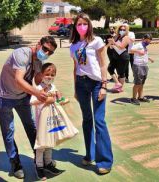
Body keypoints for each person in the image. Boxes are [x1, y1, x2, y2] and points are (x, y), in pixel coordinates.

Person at [0, 36, 57, 179]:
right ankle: (15, 162)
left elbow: (35, 80)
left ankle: (38, 159)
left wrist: (49, 82)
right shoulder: (22, 54)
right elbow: (19, 79)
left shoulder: (38, 61)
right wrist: (37, 92)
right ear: (38, 44)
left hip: (23, 97)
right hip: (4, 97)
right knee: (8, 131)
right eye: (45, 49)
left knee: (31, 127)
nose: (46, 53)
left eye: (50, 52)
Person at [69, 13, 113, 174]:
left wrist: (104, 85)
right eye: (78, 24)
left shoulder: (97, 41)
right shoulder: (73, 45)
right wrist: (75, 88)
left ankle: (105, 161)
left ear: (89, 25)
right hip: (81, 84)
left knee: (99, 121)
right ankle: (90, 155)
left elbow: (103, 64)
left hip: (96, 84)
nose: (81, 26)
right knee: (87, 120)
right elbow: (76, 68)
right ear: (75, 26)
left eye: (84, 23)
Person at [30, 63, 63, 180]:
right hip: (41, 122)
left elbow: (59, 99)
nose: (49, 77)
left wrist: (59, 98)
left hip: (51, 120)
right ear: (42, 75)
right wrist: (44, 100)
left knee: (50, 142)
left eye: (52, 75)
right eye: (47, 74)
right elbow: (32, 102)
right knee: (41, 145)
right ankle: (39, 166)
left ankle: (48, 163)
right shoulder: (39, 88)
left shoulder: (53, 87)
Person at [129, 34, 154, 105]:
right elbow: (130, 50)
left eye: (149, 42)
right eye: (147, 41)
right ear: (143, 39)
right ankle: (133, 98)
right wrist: (138, 51)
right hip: (138, 65)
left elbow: (144, 54)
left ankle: (140, 97)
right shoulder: (138, 45)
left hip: (144, 65)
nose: (148, 43)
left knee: (142, 83)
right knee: (137, 83)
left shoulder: (144, 46)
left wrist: (149, 58)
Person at [107, 24, 130, 93]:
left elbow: (122, 47)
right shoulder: (117, 36)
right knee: (110, 68)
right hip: (115, 56)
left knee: (121, 73)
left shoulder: (126, 37)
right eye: (120, 29)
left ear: (126, 31)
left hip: (123, 57)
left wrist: (114, 43)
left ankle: (119, 88)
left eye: (123, 30)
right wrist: (111, 44)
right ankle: (118, 83)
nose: (122, 31)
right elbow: (112, 46)